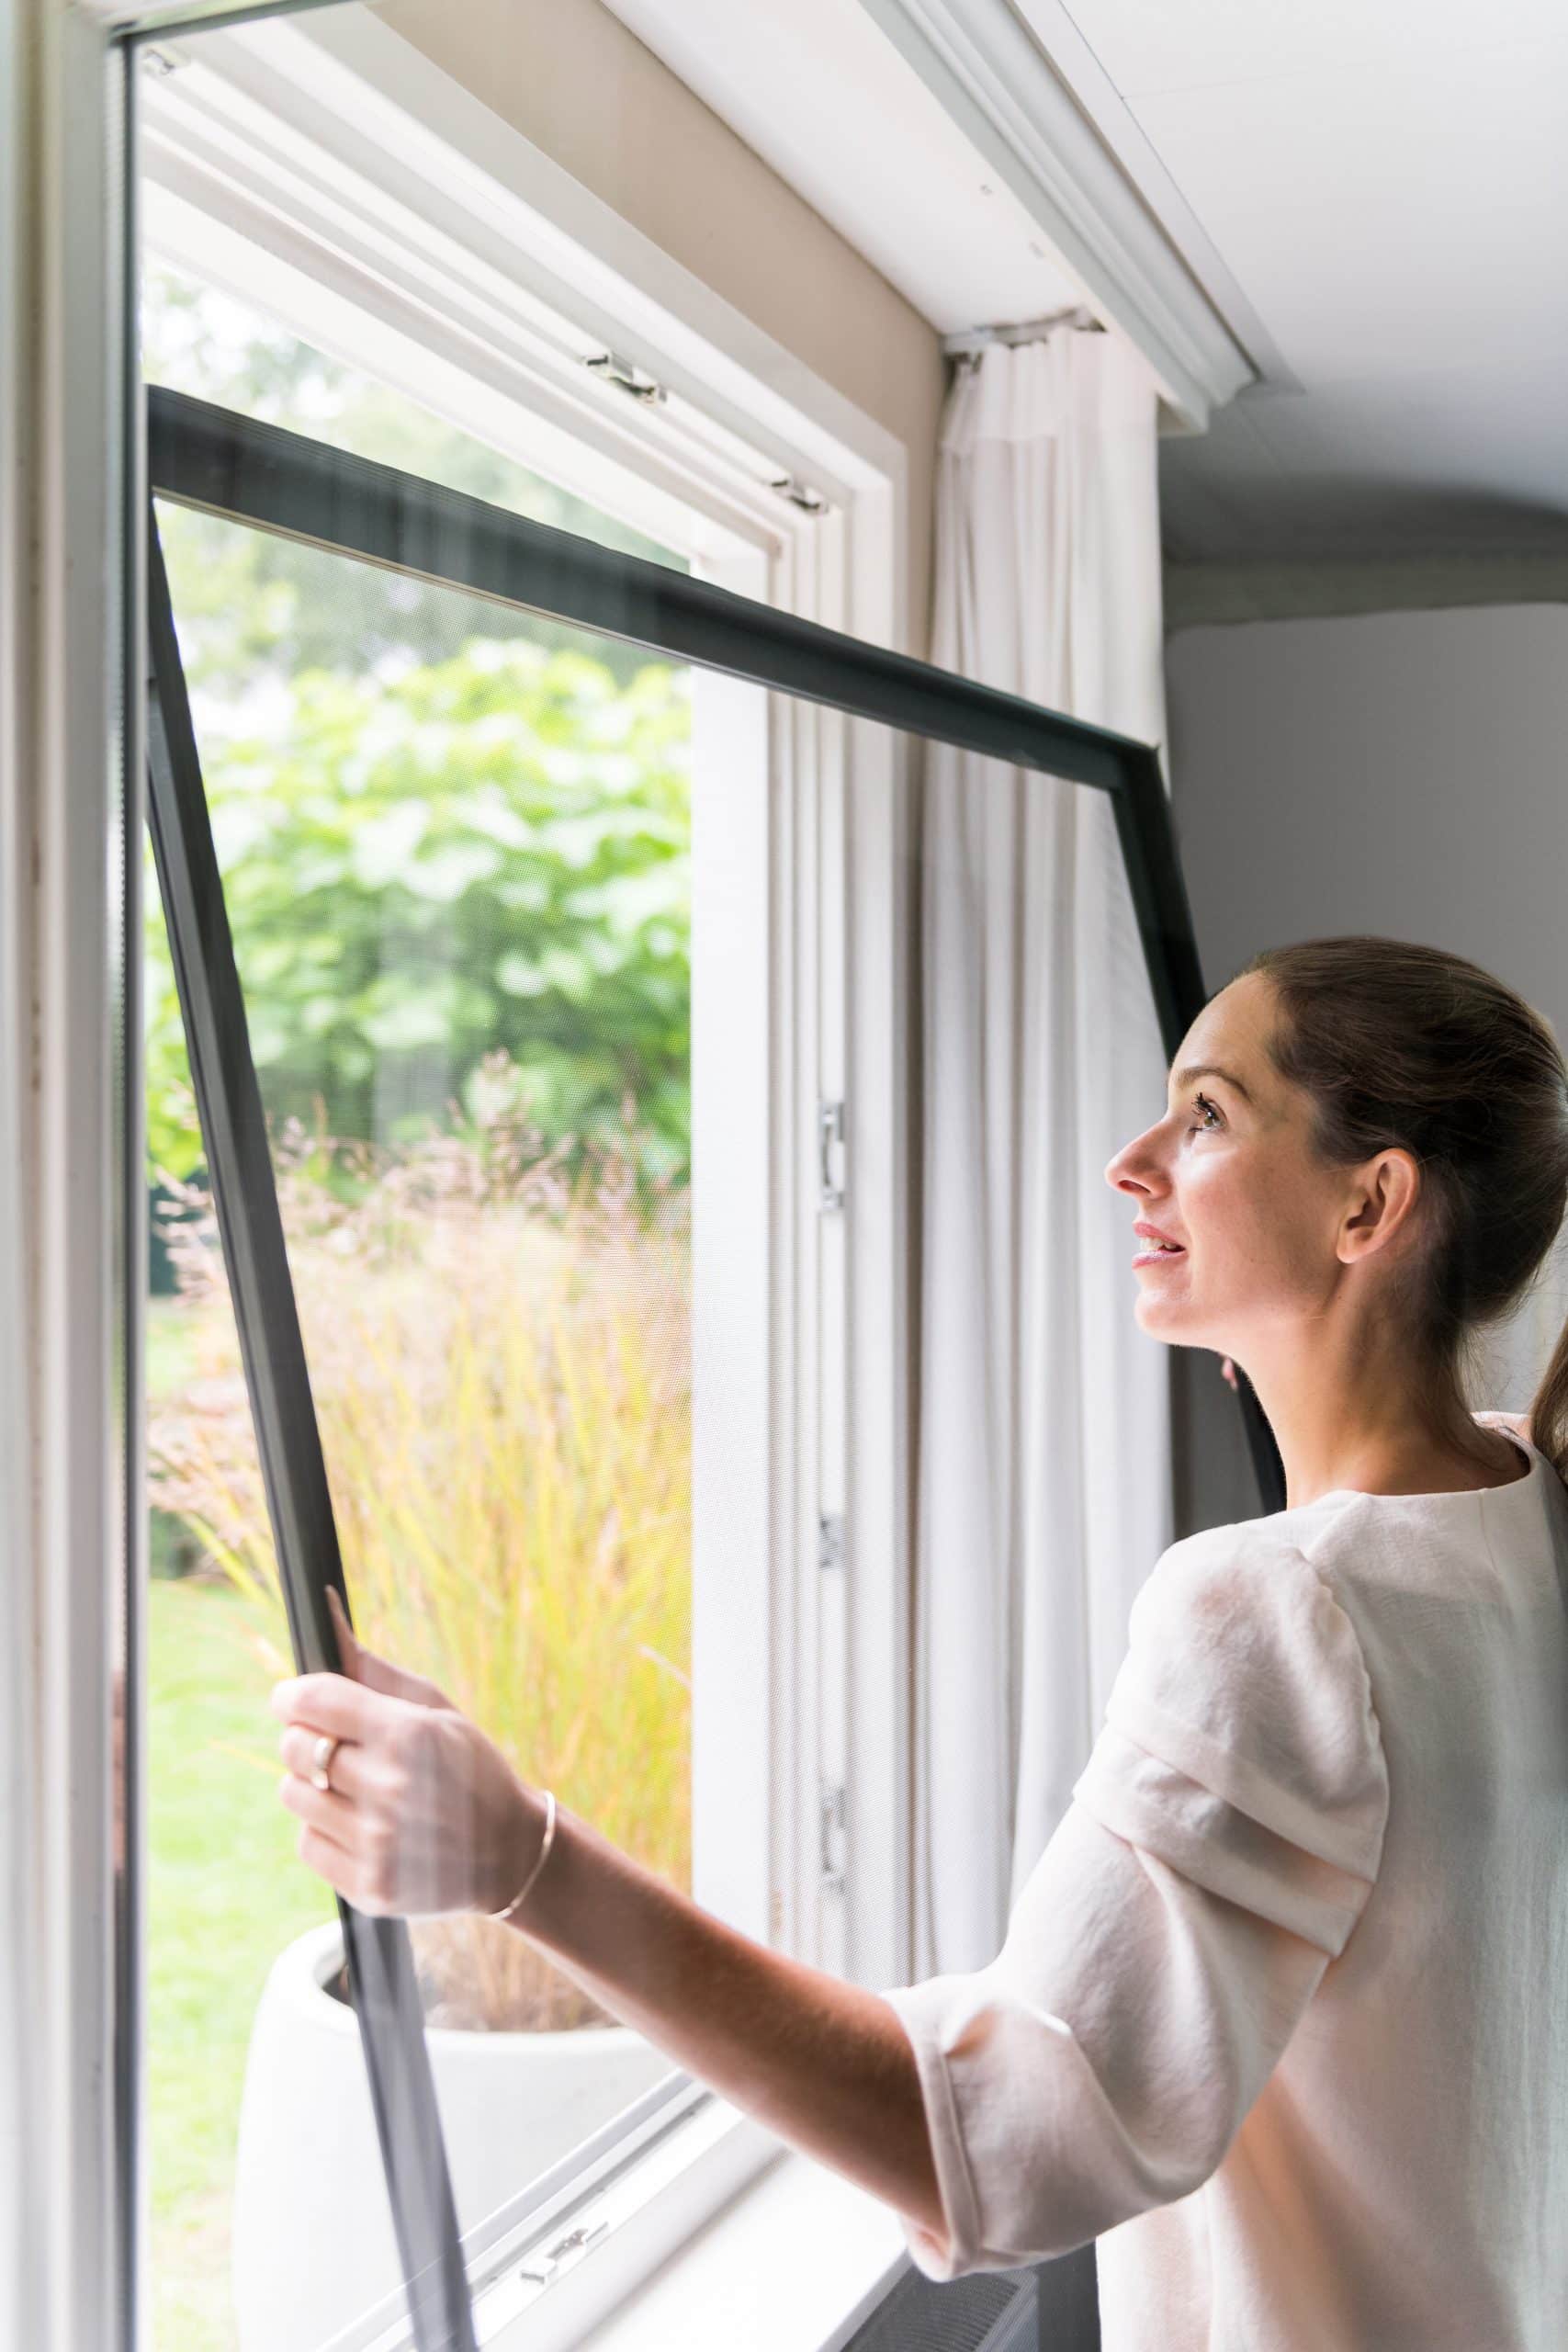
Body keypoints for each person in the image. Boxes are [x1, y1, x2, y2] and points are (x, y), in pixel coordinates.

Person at [271, 933, 1568, 2347]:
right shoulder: (1528, 1516)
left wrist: (520, 1858)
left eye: (1207, 1116)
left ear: (1369, 1204)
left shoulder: (1281, 1607)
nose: (1134, 1162)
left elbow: (1007, 2157)